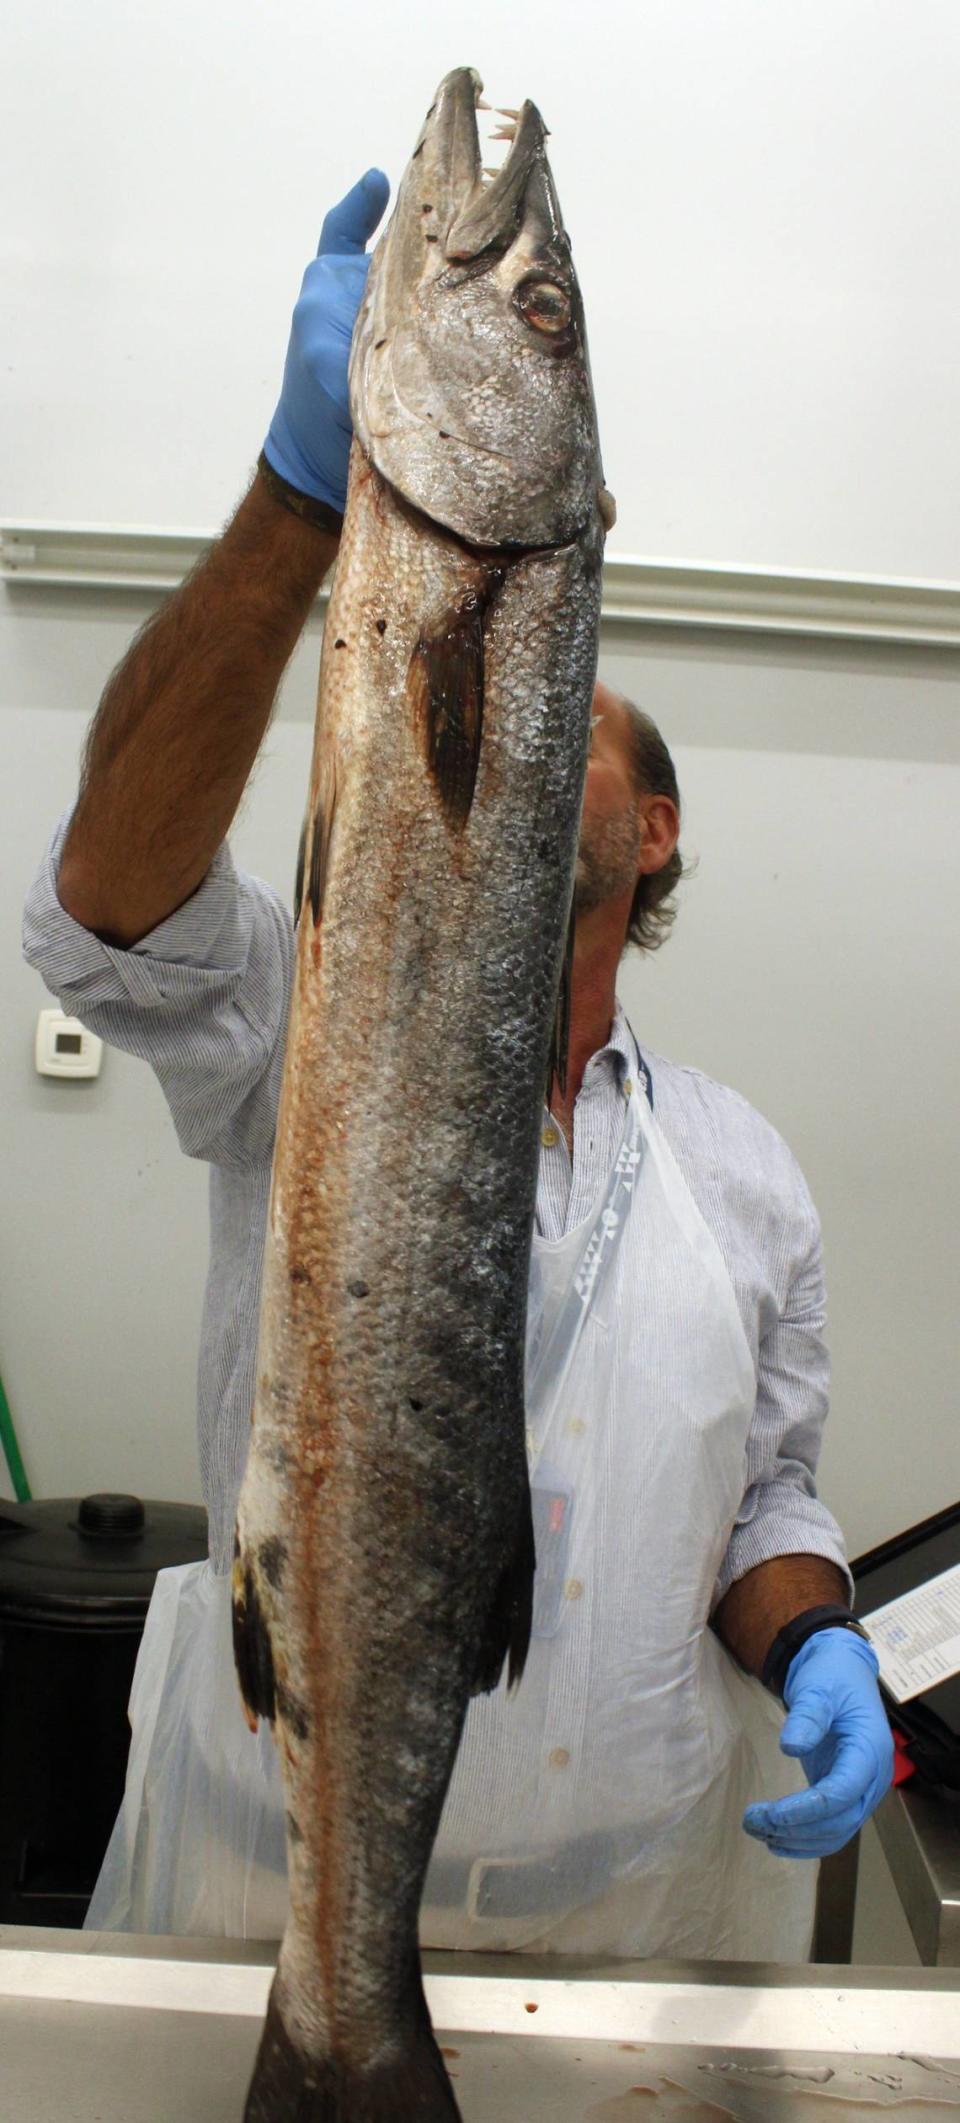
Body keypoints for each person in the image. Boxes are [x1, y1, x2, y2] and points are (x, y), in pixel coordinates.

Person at [22, 171, 893, 1959]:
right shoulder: (306, 1015)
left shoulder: (747, 1177)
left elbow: (771, 1500)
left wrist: (819, 1638)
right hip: (258, 1887)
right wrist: (291, 501)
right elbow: (107, 907)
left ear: (654, 833)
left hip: (626, 1920)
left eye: (593, 729)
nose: (547, 720)